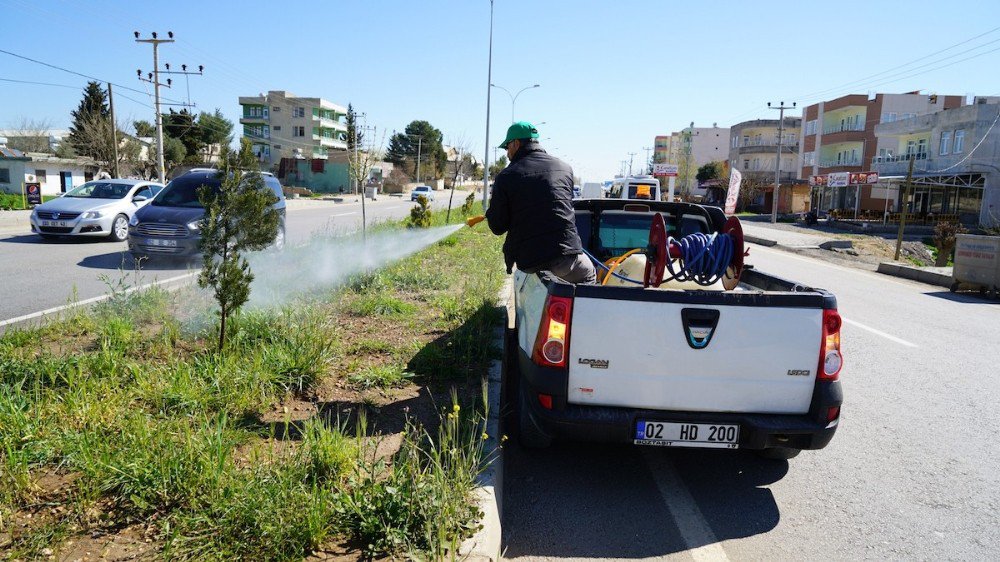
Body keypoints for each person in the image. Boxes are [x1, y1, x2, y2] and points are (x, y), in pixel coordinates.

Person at [484, 122, 596, 284]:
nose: (507, 153)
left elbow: (498, 227)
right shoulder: (565, 168)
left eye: (507, 147)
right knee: (589, 275)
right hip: (565, 258)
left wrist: (492, 212)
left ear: (516, 143)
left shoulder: (506, 176)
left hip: (530, 261)